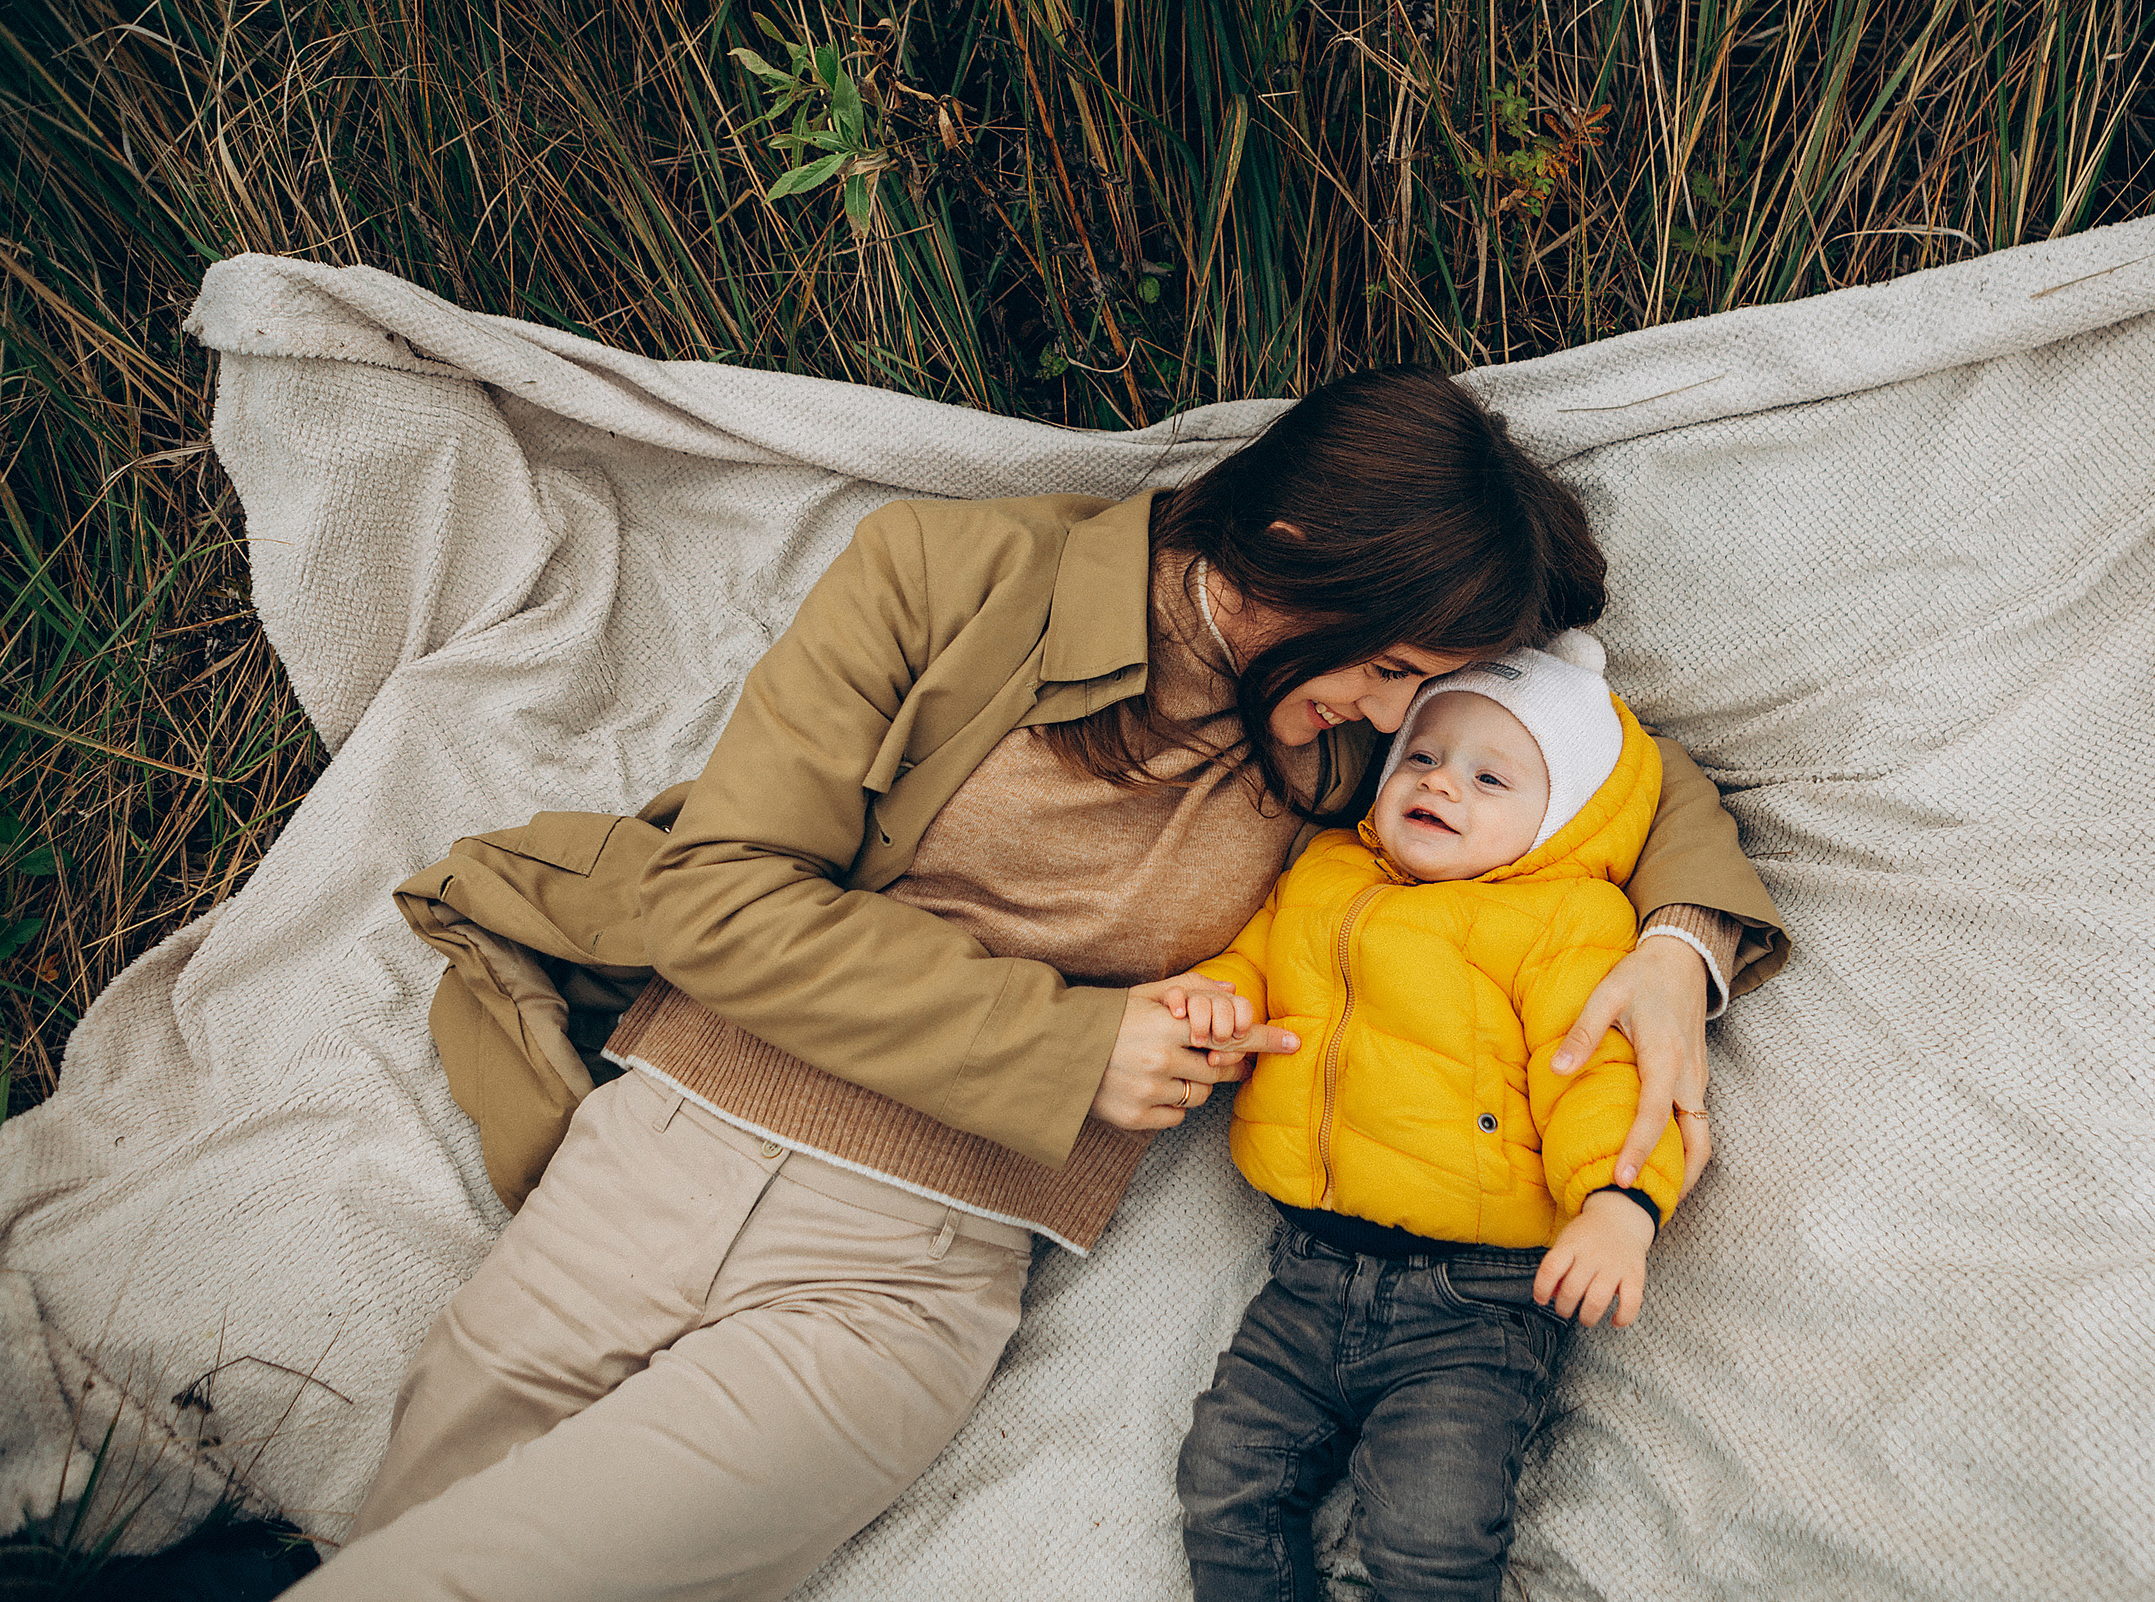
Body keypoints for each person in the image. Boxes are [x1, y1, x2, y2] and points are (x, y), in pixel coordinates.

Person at [285, 367, 1788, 1602]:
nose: (1409, 721)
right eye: (1392, 666)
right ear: (1288, 540)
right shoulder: (946, 578)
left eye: (1427, 684)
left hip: (908, 1262)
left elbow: (1615, 772)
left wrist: (1678, 944)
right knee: (389, 1548)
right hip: (656, 1145)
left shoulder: (1344, 751)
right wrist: (1067, 1044)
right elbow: (716, 895)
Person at [1173, 631, 1676, 1601]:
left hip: (1476, 1306)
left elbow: (1597, 1076)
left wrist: (1619, 1205)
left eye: (1492, 780)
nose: (1442, 785)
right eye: (1424, 757)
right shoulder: (1323, 875)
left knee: (1427, 1539)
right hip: (1306, 1281)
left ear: (1559, 819)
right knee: (1223, 1482)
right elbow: (1256, 957)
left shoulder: (1565, 921)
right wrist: (1220, 997)